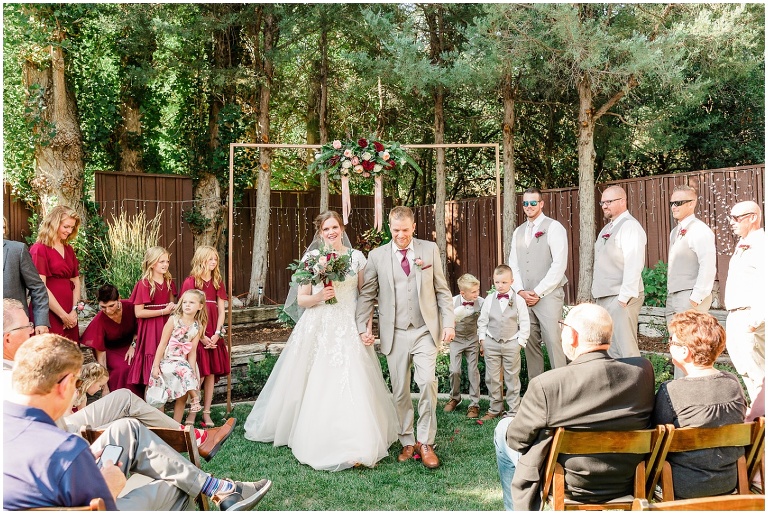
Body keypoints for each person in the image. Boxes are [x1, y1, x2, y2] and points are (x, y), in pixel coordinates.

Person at [3, 334, 272, 511]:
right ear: (63, 387)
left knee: (127, 427)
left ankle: (221, 490)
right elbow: (100, 505)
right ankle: (220, 490)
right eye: (75, 384)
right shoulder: (65, 450)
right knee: (176, 484)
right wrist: (111, 482)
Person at [244, 211, 398, 471]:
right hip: (319, 325)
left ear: (341, 228)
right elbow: (302, 299)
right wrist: (320, 297)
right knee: (316, 379)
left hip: (348, 324)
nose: (331, 232)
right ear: (320, 232)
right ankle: (313, 432)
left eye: (335, 227)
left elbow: (365, 297)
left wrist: (366, 328)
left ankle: (358, 440)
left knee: (354, 378)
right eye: (326, 228)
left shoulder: (356, 258)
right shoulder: (312, 259)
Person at [2, 298, 234, 462]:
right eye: (27, 326)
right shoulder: (8, 376)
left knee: (124, 397)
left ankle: (196, 439)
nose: (33, 331)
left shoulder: (21, 362)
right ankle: (198, 450)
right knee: (127, 425)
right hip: (64, 434)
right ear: (8, 338)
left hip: (67, 423)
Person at [494, 303, 654, 511]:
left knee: (502, 429)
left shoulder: (548, 384)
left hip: (568, 484)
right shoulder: (642, 372)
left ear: (573, 336)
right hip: (627, 479)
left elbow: (517, 440)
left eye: (563, 327)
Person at [356, 206, 455, 469]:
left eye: (405, 230)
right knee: (400, 391)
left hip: (424, 330)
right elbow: (367, 294)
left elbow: (442, 291)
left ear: (414, 227)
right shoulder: (376, 256)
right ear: (390, 228)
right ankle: (407, 440)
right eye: (396, 230)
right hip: (395, 332)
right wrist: (361, 327)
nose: (401, 235)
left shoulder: (429, 249)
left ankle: (425, 442)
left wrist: (449, 323)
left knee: (427, 383)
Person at [652, 310, 747, 499]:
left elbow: (655, 440)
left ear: (685, 351)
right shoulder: (733, 384)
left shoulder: (671, 391)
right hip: (727, 482)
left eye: (672, 342)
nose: (669, 345)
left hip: (681, 486)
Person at [508, 188, 568, 379]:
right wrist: (520, 291)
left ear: (541, 204)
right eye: (525, 203)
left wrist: (538, 292)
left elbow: (559, 265)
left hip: (548, 296)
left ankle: (562, 390)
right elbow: (513, 265)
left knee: (553, 341)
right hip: (525, 297)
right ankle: (537, 391)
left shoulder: (554, 227)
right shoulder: (518, 232)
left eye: (533, 203)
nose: (529, 207)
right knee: (529, 343)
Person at [592, 185, 647, 358]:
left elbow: (634, 262)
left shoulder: (629, 226)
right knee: (612, 350)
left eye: (609, 202)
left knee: (627, 350)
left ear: (623, 201)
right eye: (602, 202)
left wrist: (623, 299)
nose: (604, 206)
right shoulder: (607, 228)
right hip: (606, 297)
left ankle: (638, 384)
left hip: (621, 298)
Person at [180, 246, 230, 428]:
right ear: (201, 259)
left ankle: (207, 413)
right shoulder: (191, 282)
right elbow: (186, 311)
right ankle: (192, 412)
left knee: (210, 373)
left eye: (215, 259)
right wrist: (200, 336)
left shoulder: (217, 281)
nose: (214, 262)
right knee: (196, 373)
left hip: (214, 332)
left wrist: (217, 333)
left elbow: (221, 310)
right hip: (196, 332)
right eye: (210, 259)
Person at [724, 200, 765, 403]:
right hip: (736, 315)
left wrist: (755, 320)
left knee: (758, 373)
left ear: (753, 218)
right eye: (730, 217)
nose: (732, 222)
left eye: (736, 218)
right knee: (745, 370)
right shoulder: (742, 243)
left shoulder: (761, 244)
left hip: (750, 317)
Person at [477, 265, 530, 421]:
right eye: (497, 282)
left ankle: (514, 410)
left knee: (512, 377)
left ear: (511, 282)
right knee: (492, 378)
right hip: (491, 342)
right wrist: (482, 340)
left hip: (511, 343)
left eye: (504, 282)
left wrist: (520, 342)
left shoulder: (519, 300)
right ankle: (495, 408)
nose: (500, 286)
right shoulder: (489, 300)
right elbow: (482, 321)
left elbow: (525, 322)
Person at [148, 289, 207, 422]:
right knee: (160, 395)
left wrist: (193, 372)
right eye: (185, 302)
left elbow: (192, 353)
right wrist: (156, 366)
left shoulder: (197, 327)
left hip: (182, 362)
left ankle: (176, 425)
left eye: (191, 302)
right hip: (166, 361)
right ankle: (194, 398)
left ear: (200, 306)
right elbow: (162, 344)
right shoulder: (173, 320)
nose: (187, 305)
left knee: (184, 385)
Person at [128, 246, 177, 397]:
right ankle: (149, 405)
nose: (165, 264)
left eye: (167, 261)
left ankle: (162, 403)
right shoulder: (144, 284)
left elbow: (171, 306)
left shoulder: (168, 282)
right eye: (161, 261)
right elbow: (139, 312)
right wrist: (162, 311)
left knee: (165, 358)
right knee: (151, 366)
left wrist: (173, 307)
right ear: (152, 263)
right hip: (150, 327)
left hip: (166, 325)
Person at [29, 205, 82, 342]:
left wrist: (74, 311)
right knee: (51, 354)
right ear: (54, 223)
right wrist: (63, 315)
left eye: (72, 227)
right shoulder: (39, 249)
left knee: (70, 356)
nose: (69, 231)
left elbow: (75, 281)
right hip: (49, 311)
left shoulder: (68, 249)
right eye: (66, 227)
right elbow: (40, 286)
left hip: (69, 310)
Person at [80, 284, 140, 395]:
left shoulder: (130, 306)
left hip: (133, 344)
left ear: (119, 299)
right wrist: (105, 388)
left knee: (138, 362)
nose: (107, 310)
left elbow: (139, 327)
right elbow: (101, 356)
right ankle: (120, 401)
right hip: (112, 350)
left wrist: (133, 345)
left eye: (111, 305)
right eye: (103, 307)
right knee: (122, 369)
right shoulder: (100, 320)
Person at [444, 273, 484, 419]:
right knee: (454, 370)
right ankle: (455, 397)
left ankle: (474, 404)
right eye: (473, 292)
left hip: (473, 339)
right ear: (463, 293)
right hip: (457, 339)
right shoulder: (452, 302)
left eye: (477, 290)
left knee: (473, 370)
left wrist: (481, 342)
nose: (477, 294)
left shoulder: (481, 303)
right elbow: (446, 321)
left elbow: (483, 324)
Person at [3, 216, 49, 334]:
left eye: (3, 227)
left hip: (14, 328)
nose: (2, 230)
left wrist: (41, 321)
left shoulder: (17, 250)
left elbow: (37, 287)